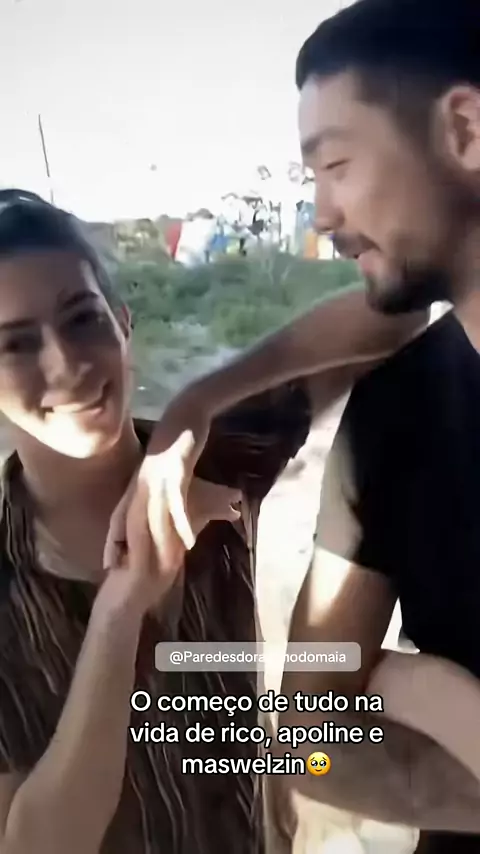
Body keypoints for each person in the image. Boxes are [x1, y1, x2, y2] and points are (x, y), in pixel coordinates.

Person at [0, 189, 316, 854]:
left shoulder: (211, 458)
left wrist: (194, 406)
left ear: (124, 325)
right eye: (17, 345)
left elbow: (393, 316)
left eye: (83, 319)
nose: (66, 363)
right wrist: (121, 610)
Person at [276, 0, 480, 851]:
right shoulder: (393, 412)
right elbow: (305, 739)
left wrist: (424, 693)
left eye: (337, 164)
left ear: (464, 129)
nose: (322, 214)